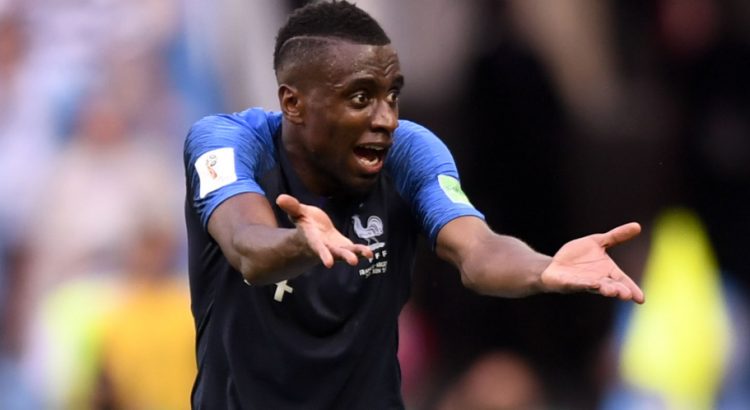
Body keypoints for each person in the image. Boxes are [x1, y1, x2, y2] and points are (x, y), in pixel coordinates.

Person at [182, 1, 644, 409]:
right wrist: (301, 244)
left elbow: (477, 250)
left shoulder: (410, 152)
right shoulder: (224, 143)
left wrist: (543, 268)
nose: (386, 119)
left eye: (392, 95)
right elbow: (246, 245)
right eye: (361, 97)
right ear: (294, 103)